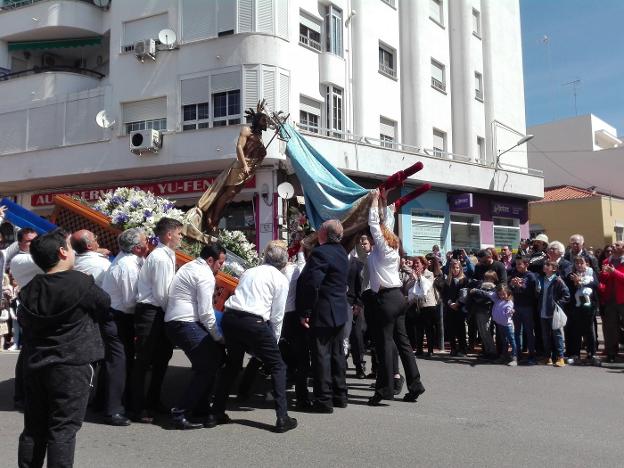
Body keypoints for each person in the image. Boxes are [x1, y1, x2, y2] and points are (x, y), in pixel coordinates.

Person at [17, 228, 109, 468]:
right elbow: (104, 304)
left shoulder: (30, 289)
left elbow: (24, 320)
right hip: (72, 365)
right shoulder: (81, 282)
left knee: (34, 428)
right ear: (62, 252)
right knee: (63, 429)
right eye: (70, 246)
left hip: (36, 362)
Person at [213, 241, 296, 433]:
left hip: (231, 317)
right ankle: (282, 417)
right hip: (254, 322)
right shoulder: (281, 280)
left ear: (266, 257)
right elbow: (277, 315)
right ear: (283, 262)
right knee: (277, 365)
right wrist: (273, 341)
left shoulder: (250, 271)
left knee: (232, 365)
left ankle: (216, 411)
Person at [366, 189, 425, 406]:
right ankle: (415, 384)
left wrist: (373, 200)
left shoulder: (381, 247)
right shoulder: (393, 245)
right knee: (403, 344)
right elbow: (384, 221)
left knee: (384, 345)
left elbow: (375, 223)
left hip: (387, 298)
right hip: (398, 297)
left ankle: (384, 390)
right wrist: (384, 201)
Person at [184, 101, 270, 239]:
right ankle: (213, 217)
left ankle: (215, 219)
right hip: (240, 167)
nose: (266, 122)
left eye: (267, 120)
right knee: (228, 192)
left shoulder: (260, 137)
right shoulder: (246, 130)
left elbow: (259, 155)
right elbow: (239, 148)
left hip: (249, 170)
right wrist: (245, 165)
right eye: (264, 119)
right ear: (257, 119)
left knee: (231, 195)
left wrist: (257, 161)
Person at [164, 244, 227, 430]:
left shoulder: (190, 266)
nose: (221, 267)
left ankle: (201, 407)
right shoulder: (205, 275)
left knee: (212, 360)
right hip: (185, 323)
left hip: (177, 321)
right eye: (220, 263)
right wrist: (219, 337)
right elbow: (206, 313)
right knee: (208, 365)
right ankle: (180, 412)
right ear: (210, 260)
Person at [131, 217, 182, 423]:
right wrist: (171, 312)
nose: (181, 237)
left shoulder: (167, 254)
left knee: (162, 358)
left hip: (159, 311)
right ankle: (136, 407)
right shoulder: (160, 257)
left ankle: (153, 401)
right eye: (179, 233)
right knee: (143, 362)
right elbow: (162, 293)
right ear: (169, 235)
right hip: (152, 312)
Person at [297, 219, 349, 413]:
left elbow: (312, 283)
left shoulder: (320, 252)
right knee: (337, 354)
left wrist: (305, 312)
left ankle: (323, 399)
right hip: (339, 311)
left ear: (324, 234)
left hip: (323, 312)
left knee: (321, 356)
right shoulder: (342, 252)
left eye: (319, 230)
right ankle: (340, 395)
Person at [99, 228, 149, 426]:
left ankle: (105, 402)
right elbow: (129, 301)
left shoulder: (132, 260)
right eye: (145, 241)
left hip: (121, 316)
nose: (148, 243)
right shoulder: (127, 265)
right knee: (118, 364)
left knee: (120, 361)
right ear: (137, 248)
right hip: (118, 317)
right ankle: (113, 410)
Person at [567, 257, 600, 365]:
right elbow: (570, 288)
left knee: (589, 330)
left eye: (582, 263)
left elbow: (595, 284)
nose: (579, 265)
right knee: (576, 330)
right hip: (577, 305)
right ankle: (576, 354)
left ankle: (592, 354)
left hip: (590, 304)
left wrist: (580, 282)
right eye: (577, 263)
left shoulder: (591, 272)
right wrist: (575, 282)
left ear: (587, 263)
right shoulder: (572, 273)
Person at [538, 260, 570, 367]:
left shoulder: (558, 280)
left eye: (548, 265)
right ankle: (548, 357)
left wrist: (557, 305)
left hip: (554, 313)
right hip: (543, 312)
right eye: (544, 264)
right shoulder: (541, 279)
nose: (545, 266)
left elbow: (566, 295)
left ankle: (560, 358)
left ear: (554, 269)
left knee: (557, 335)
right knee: (545, 336)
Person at [508, 256, 539, 364]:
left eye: (520, 264)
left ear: (526, 264)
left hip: (527, 307)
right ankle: (517, 354)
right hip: (516, 306)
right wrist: (512, 284)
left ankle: (531, 355)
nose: (517, 266)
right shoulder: (515, 274)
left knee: (529, 331)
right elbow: (509, 290)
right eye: (516, 264)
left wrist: (520, 286)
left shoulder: (531, 276)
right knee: (517, 331)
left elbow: (532, 292)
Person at [598, 240, 624, 363]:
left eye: (617, 245)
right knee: (610, 327)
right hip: (610, 299)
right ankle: (611, 353)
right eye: (613, 245)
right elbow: (603, 279)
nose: (613, 246)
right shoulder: (606, 261)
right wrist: (604, 274)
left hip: (622, 298)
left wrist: (614, 272)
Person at [407, 256, 438, 357]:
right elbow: (409, 288)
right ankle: (419, 349)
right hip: (418, 305)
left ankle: (430, 350)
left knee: (429, 328)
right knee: (419, 328)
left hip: (428, 304)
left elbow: (425, 287)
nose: (416, 265)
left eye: (418, 263)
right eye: (415, 263)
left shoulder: (429, 274)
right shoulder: (413, 274)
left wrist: (418, 277)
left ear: (424, 265)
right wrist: (412, 278)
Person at [467, 270, 499, 358]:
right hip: (478, 310)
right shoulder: (480, 286)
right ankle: (487, 351)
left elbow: (488, 296)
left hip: (486, 311)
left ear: (493, 279)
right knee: (482, 332)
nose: (487, 280)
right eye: (486, 278)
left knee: (486, 332)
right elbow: (475, 296)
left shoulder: (494, 288)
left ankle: (492, 351)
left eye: (489, 278)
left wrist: (477, 292)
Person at [442, 259, 469, 356]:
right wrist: (449, 303)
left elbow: (464, 295)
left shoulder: (464, 280)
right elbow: (444, 295)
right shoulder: (447, 280)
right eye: (453, 268)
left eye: (457, 268)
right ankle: (453, 348)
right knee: (451, 329)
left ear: (460, 268)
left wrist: (457, 304)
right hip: (450, 308)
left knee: (460, 329)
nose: (455, 270)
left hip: (460, 308)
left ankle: (463, 349)